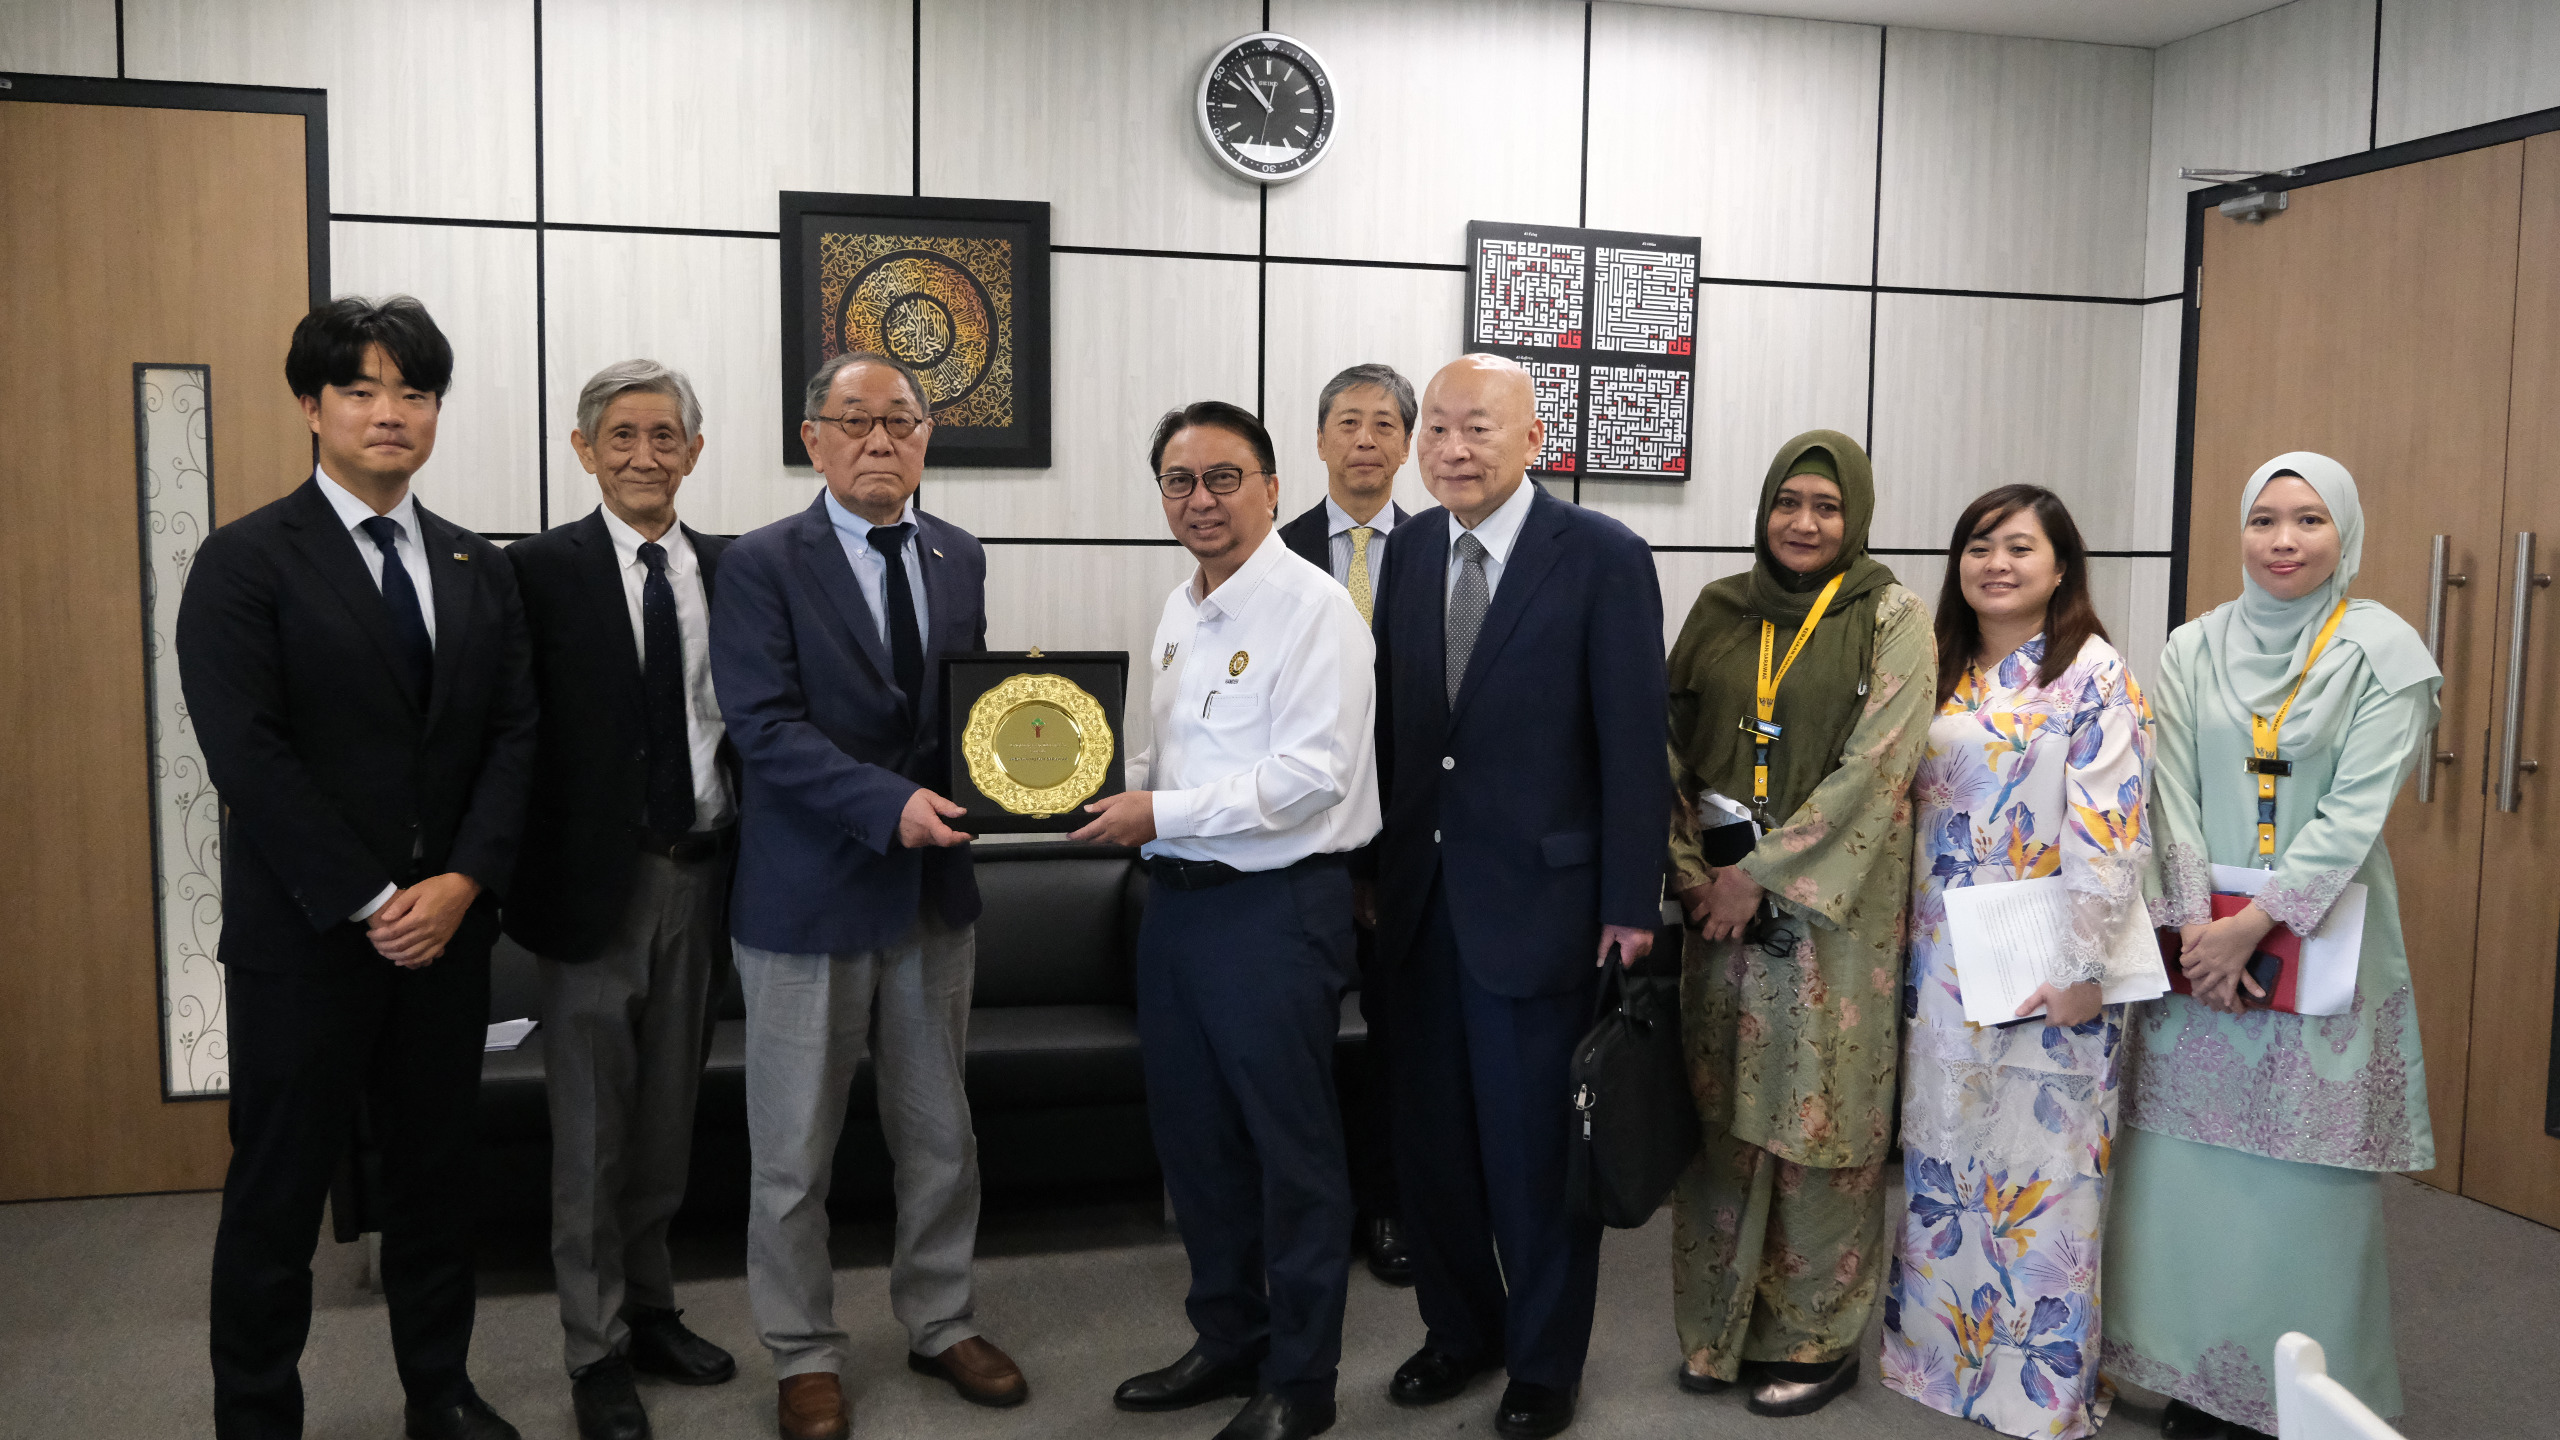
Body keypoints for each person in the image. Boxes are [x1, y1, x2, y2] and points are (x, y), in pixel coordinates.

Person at [178, 296, 537, 1440]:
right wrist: (376, 899)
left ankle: (441, 1391)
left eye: (414, 392)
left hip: (448, 937)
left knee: (436, 1182)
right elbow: (249, 754)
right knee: (278, 1194)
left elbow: (514, 738)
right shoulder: (245, 561)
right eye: (361, 389)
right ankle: (256, 1416)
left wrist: (463, 883)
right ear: (310, 406)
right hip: (307, 941)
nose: (391, 413)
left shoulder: (477, 564)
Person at [708, 352, 1024, 1440]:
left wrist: (1029, 769)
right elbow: (763, 727)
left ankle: (941, 1320)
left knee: (940, 1140)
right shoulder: (758, 564)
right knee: (792, 1156)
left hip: (933, 896)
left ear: (927, 437)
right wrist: (889, 806)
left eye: (902, 420)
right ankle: (803, 1351)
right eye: (855, 420)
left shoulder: (958, 554)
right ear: (814, 439)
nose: (880, 439)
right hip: (807, 900)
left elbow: (970, 710)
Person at [2102, 454, 2440, 1440]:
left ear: (2346, 533)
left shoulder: (2385, 654)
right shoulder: (2193, 645)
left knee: (2302, 1186)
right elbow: (2170, 793)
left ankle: (2297, 1391)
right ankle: (2197, 1382)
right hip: (2199, 946)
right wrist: (2193, 931)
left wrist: (2252, 926)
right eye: (2263, 520)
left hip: (2321, 937)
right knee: (2186, 1174)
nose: (2283, 541)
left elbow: (2354, 815)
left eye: (2308, 520)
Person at [1367, 354, 1669, 1439]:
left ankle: (1543, 1364)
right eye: (1436, 430)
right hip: (1418, 906)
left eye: (1478, 429)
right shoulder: (1410, 552)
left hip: (1544, 908)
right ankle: (1461, 1332)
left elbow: (1635, 745)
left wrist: (1630, 902)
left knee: (1535, 1155)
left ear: (1534, 438)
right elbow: (1397, 730)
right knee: (1433, 1148)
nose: (1452, 449)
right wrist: (1368, 873)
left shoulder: (1602, 557)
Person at [1081, 400, 1379, 1440]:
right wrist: (1088, 786)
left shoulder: (1314, 610)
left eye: (1222, 478)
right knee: (1196, 1146)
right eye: (1179, 481)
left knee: (1292, 1157)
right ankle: (1228, 1338)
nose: (1199, 500)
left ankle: (1301, 1380)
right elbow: (1168, 758)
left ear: (1271, 489)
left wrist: (1157, 812)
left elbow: (1309, 778)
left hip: (1274, 915)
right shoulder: (1181, 606)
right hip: (1176, 912)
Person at [1664, 429, 1931, 1418]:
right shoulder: (1719, 609)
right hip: (1719, 916)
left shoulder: (1891, 616)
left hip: (1832, 923)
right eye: (1788, 502)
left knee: (1820, 1123)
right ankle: (1717, 1330)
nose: (1804, 523)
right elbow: (1666, 748)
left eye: (1826, 506)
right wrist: (1695, 874)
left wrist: (1762, 876)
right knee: (1721, 1119)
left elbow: (1879, 768)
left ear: (1855, 517)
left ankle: (1815, 1339)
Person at [1878, 486, 2151, 1437]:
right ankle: (1939, 1363)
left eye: (2020, 547)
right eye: (1980, 546)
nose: (1997, 563)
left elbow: (2111, 829)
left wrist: (2082, 964)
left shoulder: (2092, 674)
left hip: (2053, 957)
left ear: (2062, 567)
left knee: (2044, 1175)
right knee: (1948, 1161)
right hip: (1944, 957)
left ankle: (2040, 1391)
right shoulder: (1937, 667)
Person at [504, 360, 740, 1440]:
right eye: (622, 437)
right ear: (584, 449)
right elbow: (510, 733)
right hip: (594, 890)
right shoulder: (534, 572)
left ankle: (650, 1311)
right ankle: (593, 1350)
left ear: (694, 451)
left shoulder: (733, 570)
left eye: (665, 437)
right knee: (591, 1136)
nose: (644, 456)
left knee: (665, 1124)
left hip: (707, 873)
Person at [1278, 361, 1416, 1287]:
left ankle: (1392, 1203)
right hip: (1300, 846)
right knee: (1299, 1043)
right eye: (1348, 423)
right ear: (1320, 439)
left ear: (1406, 445)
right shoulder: (1270, 548)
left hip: (1409, 847)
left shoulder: (1443, 549)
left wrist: (1386, 861)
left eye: (1383, 425)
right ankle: (1310, 1212)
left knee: (1403, 1040)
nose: (1365, 439)